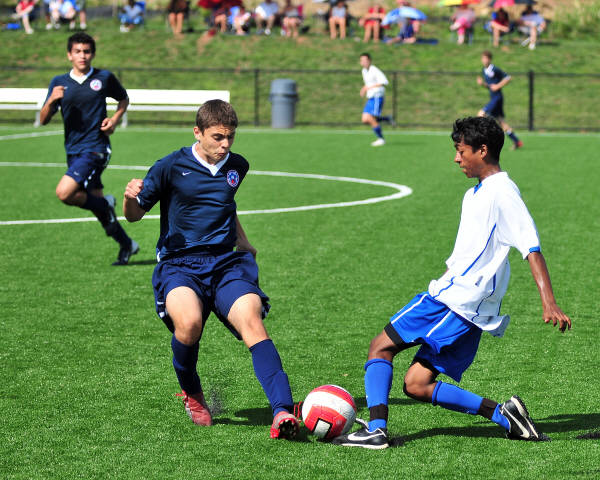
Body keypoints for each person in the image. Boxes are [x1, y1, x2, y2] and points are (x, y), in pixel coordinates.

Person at [332, 116, 572, 450]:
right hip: (468, 305)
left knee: (380, 347)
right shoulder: (476, 193)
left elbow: (531, 247)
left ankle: (376, 430)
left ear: (482, 150)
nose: (457, 158)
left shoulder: (503, 193)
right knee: (416, 384)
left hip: (455, 300)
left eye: (462, 151)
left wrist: (549, 302)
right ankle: (505, 416)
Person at [122, 100, 299, 440]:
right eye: (218, 137)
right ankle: (192, 392)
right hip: (179, 265)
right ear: (197, 132)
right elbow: (134, 216)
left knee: (252, 322)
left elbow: (224, 206)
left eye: (230, 137)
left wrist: (243, 240)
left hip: (225, 263)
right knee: (189, 324)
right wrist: (130, 197)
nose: (225, 144)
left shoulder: (237, 166)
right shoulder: (169, 167)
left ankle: (282, 411)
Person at [39, 33, 138, 266]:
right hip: (73, 151)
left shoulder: (103, 78)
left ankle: (106, 204)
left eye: (86, 51)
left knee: (64, 192)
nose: (82, 55)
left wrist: (114, 120)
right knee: (96, 205)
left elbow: (123, 99)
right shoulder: (59, 82)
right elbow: (43, 119)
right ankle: (127, 244)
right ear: (69, 55)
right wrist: (52, 100)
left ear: (92, 54)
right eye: (77, 51)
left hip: (96, 148)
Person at [477, 50, 522, 150]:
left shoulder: (494, 69)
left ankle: (481, 142)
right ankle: (517, 141)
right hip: (494, 98)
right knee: (501, 122)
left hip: (497, 98)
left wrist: (498, 86)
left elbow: (508, 77)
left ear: (490, 59)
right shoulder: (484, 70)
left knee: (481, 114)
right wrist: (482, 84)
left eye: (485, 58)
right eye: (482, 58)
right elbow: (490, 86)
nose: (484, 60)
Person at [359, 52, 390, 147]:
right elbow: (368, 83)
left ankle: (381, 139)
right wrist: (364, 88)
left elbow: (384, 82)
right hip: (371, 97)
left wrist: (369, 87)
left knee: (370, 118)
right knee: (364, 119)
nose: (363, 62)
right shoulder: (364, 71)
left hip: (377, 96)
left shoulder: (374, 70)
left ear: (369, 61)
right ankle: (387, 119)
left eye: (365, 60)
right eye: (361, 60)